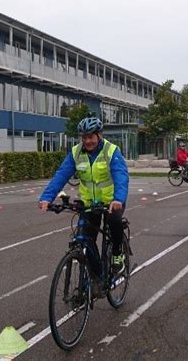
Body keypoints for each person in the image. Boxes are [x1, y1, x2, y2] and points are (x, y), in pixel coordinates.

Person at [39, 116, 129, 294]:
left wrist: (118, 198)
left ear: (99, 135)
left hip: (112, 202)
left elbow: (121, 175)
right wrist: (47, 197)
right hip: (89, 203)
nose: (87, 141)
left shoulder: (111, 151)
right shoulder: (76, 152)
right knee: (86, 238)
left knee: (114, 222)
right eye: (84, 137)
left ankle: (118, 253)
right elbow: (62, 175)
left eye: (91, 137)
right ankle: (97, 276)